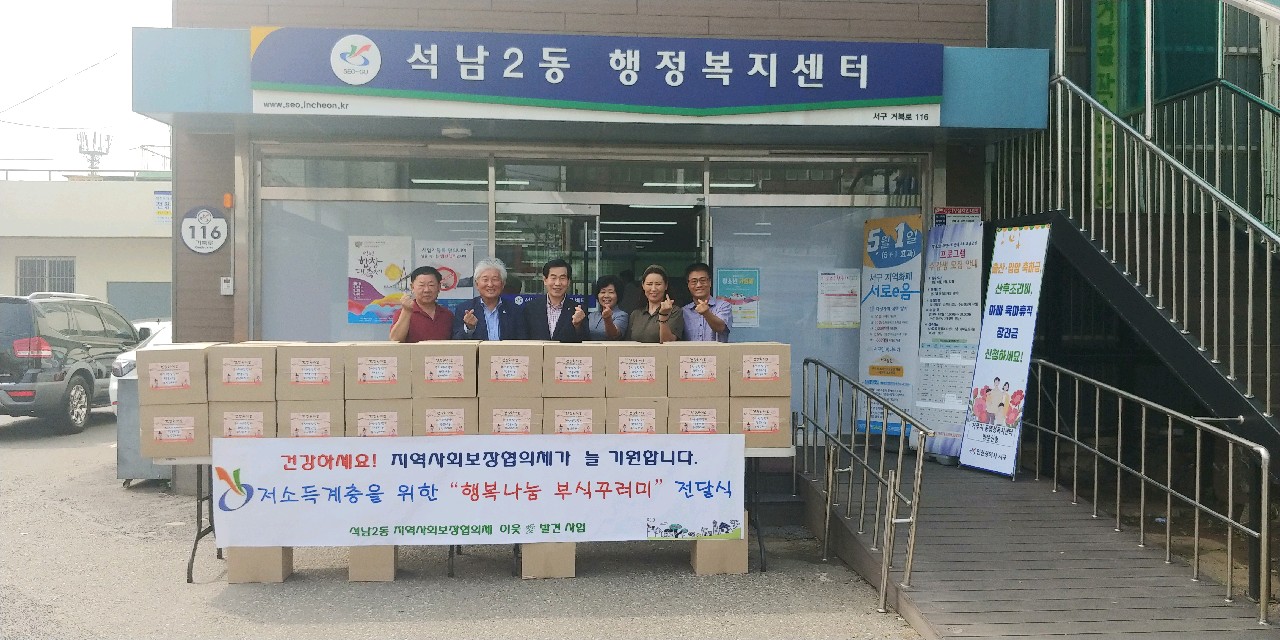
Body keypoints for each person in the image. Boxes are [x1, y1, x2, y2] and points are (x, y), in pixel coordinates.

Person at [451, 257, 528, 340]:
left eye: (495, 279)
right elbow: (456, 342)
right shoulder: (464, 309)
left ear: (503, 284)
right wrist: (469, 328)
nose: (490, 284)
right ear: (477, 284)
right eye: (485, 280)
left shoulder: (515, 310)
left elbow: (522, 341)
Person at [524, 258, 587, 343]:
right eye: (553, 278)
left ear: (568, 282)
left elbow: (586, 341)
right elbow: (523, 339)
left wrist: (578, 326)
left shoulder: (578, 310)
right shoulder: (530, 308)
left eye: (562, 278)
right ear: (545, 280)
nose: (557, 283)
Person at [389, 266, 454, 342]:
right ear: (412, 287)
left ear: (439, 287)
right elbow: (395, 340)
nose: (426, 290)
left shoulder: (447, 315)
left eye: (431, 285)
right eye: (421, 285)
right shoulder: (402, 313)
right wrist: (406, 312)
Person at [625, 264, 684, 343]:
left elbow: (668, 342)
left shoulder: (675, 311)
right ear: (643, 286)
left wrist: (663, 316)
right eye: (649, 284)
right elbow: (628, 343)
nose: (653, 289)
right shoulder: (635, 314)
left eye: (658, 284)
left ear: (666, 286)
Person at [681, 262, 732, 342]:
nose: (699, 285)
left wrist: (706, 313)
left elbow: (720, 328)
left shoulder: (723, 306)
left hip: (717, 350)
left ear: (710, 282)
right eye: (694, 281)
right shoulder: (683, 311)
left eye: (703, 280)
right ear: (688, 285)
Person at [585, 275, 629, 340]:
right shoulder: (592, 315)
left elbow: (614, 335)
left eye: (611, 292)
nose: (606, 296)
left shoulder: (622, 315)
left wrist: (607, 319)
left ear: (618, 295)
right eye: (603, 292)